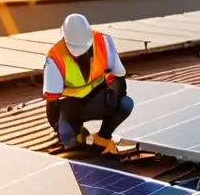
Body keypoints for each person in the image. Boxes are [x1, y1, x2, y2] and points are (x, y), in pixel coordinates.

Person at [43, 13, 134, 154]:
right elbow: (52, 102)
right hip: (70, 109)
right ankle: (76, 134)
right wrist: (58, 127)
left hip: (98, 100)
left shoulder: (104, 42)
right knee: (69, 143)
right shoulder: (54, 58)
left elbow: (119, 76)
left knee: (126, 104)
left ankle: (103, 136)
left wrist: (115, 99)